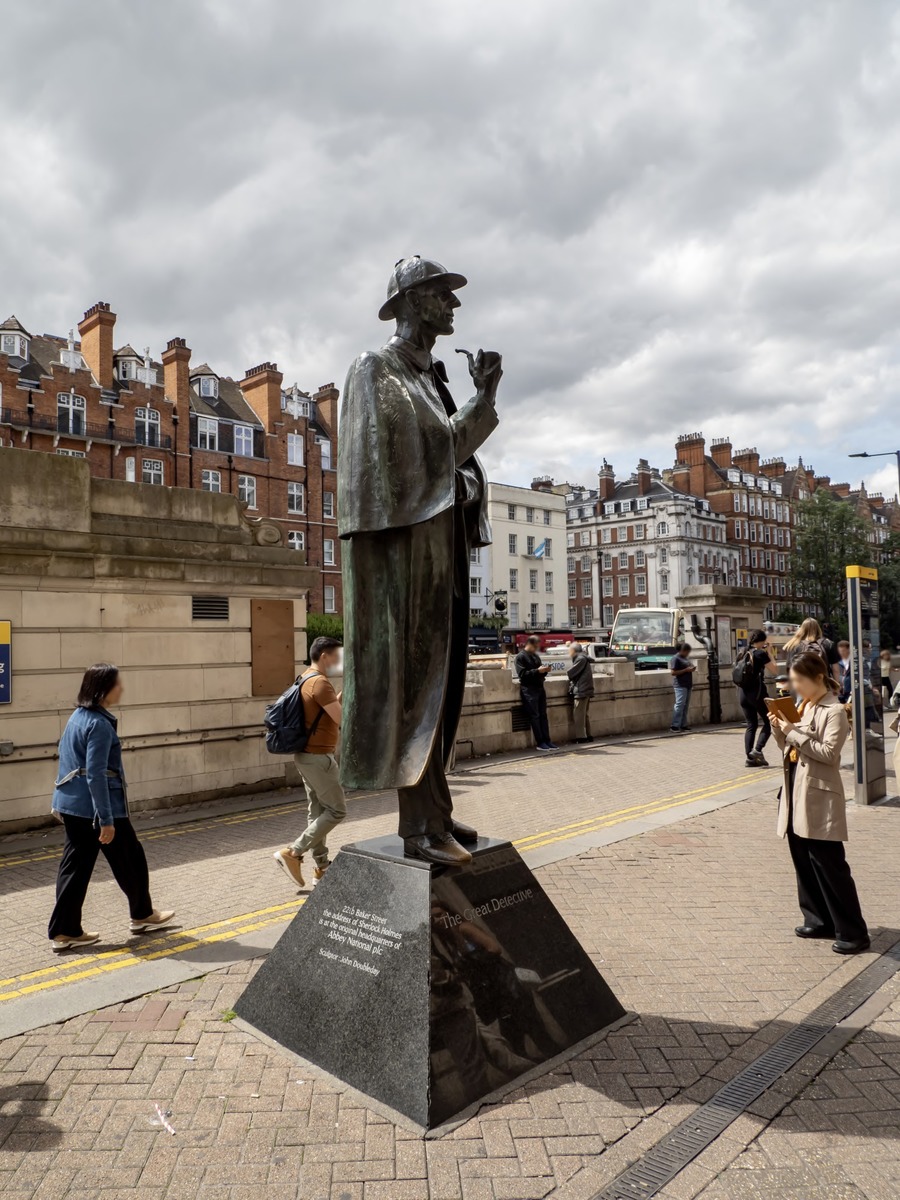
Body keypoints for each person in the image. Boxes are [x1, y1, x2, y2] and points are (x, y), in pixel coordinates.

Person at [338, 257, 500, 866]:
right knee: (416, 688)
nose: (452, 305)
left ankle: (438, 815)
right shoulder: (375, 368)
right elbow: (397, 471)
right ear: (408, 301)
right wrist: (454, 479)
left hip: (442, 551)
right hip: (406, 557)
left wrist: (483, 397)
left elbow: (450, 451)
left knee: (443, 686)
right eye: (441, 294)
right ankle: (417, 830)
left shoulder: (430, 377)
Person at [48, 664, 174, 953]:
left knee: (77, 868)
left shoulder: (77, 717)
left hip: (72, 805)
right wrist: (105, 820)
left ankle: (66, 930)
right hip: (97, 809)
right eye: (118, 684)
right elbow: (95, 774)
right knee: (131, 858)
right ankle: (142, 915)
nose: (122, 689)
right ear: (103, 690)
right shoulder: (100, 725)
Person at [769, 651, 869, 955]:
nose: (795, 686)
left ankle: (853, 931)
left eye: (799, 680)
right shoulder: (804, 704)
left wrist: (791, 732)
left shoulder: (834, 710)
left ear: (816, 678)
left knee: (830, 865)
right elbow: (788, 747)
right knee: (803, 861)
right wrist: (779, 726)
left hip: (818, 794)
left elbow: (828, 754)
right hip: (796, 791)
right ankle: (818, 919)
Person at [274, 637, 346, 889]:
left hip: (305, 755)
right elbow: (340, 718)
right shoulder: (321, 683)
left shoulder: (305, 678)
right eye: (338, 654)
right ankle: (293, 852)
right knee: (337, 811)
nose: (340, 660)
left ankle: (322, 868)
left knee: (316, 812)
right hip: (318, 758)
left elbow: (324, 711)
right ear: (325, 655)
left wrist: (345, 691)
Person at [738, 629, 778, 767]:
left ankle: (750, 757)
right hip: (756, 693)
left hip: (742, 693)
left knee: (751, 725)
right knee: (769, 722)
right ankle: (757, 750)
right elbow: (774, 670)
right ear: (762, 641)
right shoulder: (760, 653)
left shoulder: (743, 651)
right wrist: (770, 653)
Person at [516, 635, 557, 752]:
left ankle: (547, 740)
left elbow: (539, 672)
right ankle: (540, 742)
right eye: (535, 646)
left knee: (543, 715)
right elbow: (522, 674)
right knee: (535, 716)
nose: (537, 649)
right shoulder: (520, 657)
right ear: (529, 644)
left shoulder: (535, 656)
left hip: (539, 687)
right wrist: (537, 671)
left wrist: (544, 671)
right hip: (529, 690)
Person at [783, 618, 840, 686]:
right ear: (818, 628)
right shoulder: (828, 643)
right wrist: (837, 685)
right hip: (823, 685)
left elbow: (790, 669)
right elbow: (835, 669)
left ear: (802, 629)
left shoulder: (794, 645)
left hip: (803, 686)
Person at [567, 642, 595, 744]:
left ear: (574, 651)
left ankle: (581, 737)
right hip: (586, 689)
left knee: (578, 715)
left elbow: (570, 673)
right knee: (584, 715)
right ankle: (588, 735)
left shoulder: (580, 659)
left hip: (581, 690)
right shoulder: (584, 658)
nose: (569, 652)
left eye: (569, 650)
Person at [669, 643, 695, 733]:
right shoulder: (675, 658)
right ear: (683, 651)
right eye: (687, 652)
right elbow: (673, 672)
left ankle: (683, 724)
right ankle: (674, 725)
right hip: (680, 685)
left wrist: (691, 668)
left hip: (687, 684)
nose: (688, 654)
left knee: (685, 706)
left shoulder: (684, 658)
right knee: (679, 705)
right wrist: (686, 670)